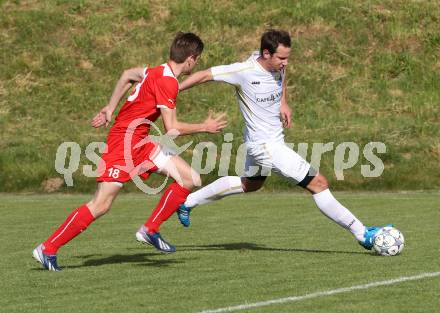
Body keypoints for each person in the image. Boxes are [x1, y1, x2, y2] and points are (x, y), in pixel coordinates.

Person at [176, 29, 389, 251]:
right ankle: (363, 234)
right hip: (266, 147)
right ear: (266, 54)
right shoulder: (243, 70)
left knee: (250, 184)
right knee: (319, 183)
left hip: (263, 142)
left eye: (288, 57)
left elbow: (280, 80)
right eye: (282, 58)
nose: (286, 63)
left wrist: (283, 102)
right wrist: (173, 89)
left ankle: (187, 203)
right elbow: (205, 75)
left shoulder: (277, 67)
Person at [32, 32, 227, 271]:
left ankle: (149, 230)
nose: (196, 63)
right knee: (101, 204)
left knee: (190, 178)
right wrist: (204, 127)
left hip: (140, 141)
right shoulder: (168, 82)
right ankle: (47, 248)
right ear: (190, 59)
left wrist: (110, 107)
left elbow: (127, 75)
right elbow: (172, 128)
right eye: (197, 59)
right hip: (122, 143)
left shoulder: (153, 71)